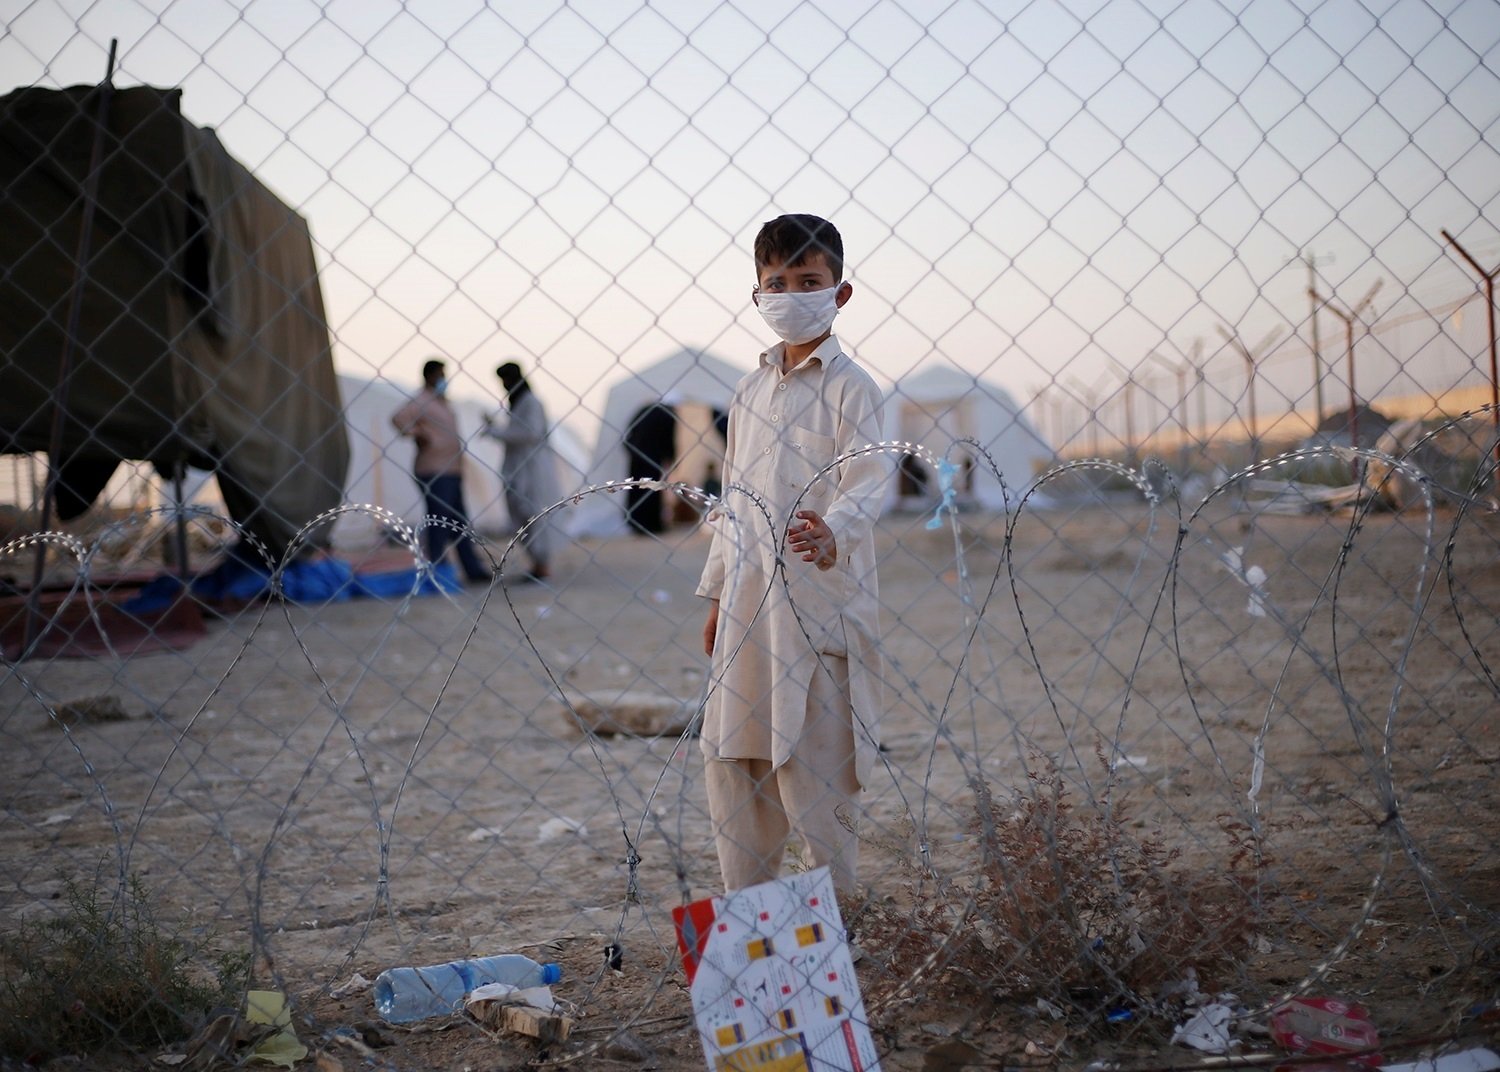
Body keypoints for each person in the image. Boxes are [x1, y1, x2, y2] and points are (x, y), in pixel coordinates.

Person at [696, 214, 886, 894]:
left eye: (808, 280)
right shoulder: (749, 391)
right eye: (776, 282)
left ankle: (835, 915)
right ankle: (750, 907)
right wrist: (717, 592)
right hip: (748, 608)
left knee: (817, 762)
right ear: (757, 294)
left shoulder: (851, 389)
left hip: (816, 604)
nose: (791, 293)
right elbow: (733, 499)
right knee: (735, 757)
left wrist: (834, 532)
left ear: (840, 293)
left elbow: (868, 480)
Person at [391, 358, 490, 584]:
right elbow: (398, 419)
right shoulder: (421, 401)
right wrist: (419, 434)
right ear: (430, 376)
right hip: (434, 469)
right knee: (439, 521)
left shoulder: (442, 402)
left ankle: (472, 569)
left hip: (452, 468)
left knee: (458, 523)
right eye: (440, 375)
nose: (444, 380)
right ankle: (433, 568)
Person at [483, 361, 560, 582]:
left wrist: (498, 432)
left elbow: (530, 433)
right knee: (521, 515)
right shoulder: (519, 403)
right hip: (519, 467)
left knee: (534, 515)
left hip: (532, 469)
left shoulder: (531, 402)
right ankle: (537, 563)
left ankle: (542, 564)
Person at [623, 395, 679, 534]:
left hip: (637, 456)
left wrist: (631, 449)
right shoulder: (668, 414)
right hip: (653, 458)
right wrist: (671, 457)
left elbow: (629, 433)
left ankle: (636, 523)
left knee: (636, 488)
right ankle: (652, 525)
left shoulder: (644, 410)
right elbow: (669, 438)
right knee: (652, 491)